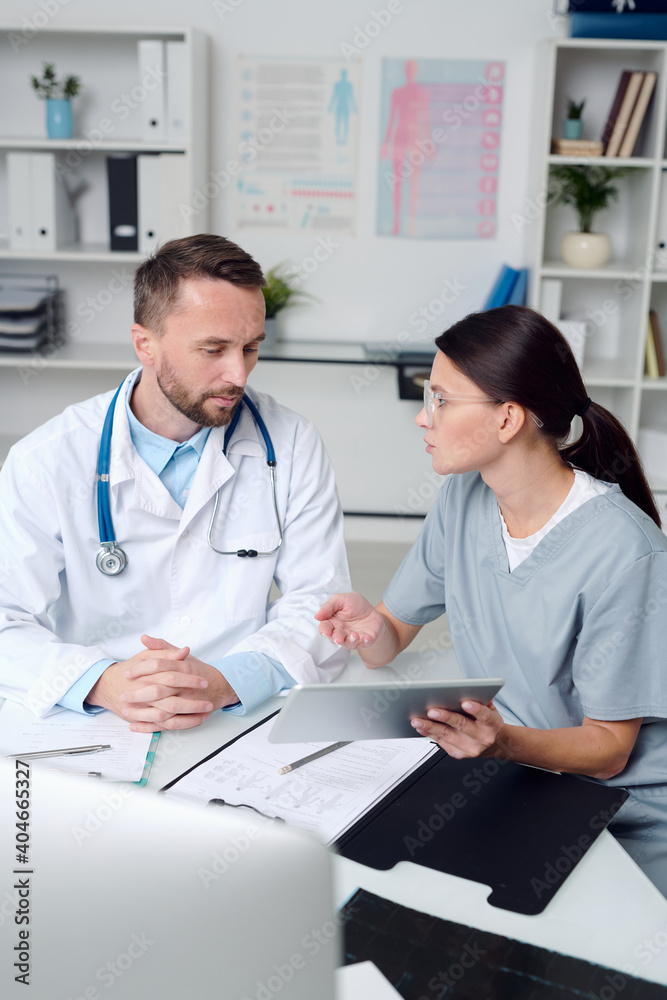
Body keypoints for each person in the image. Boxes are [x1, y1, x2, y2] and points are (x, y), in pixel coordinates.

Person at [316, 304, 667, 897]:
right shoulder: (464, 499)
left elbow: (609, 751)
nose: (425, 420)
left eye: (443, 400)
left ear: (507, 419)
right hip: (514, 775)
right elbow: (391, 637)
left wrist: (502, 742)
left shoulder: (627, 552)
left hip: (616, 811)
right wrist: (365, 625)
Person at [0, 234, 350, 731]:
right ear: (146, 344)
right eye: (213, 349)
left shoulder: (291, 445)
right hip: (95, 717)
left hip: (241, 711)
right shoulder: (47, 459)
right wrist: (103, 682)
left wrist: (227, 681)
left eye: (250, 348)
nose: (238, 374)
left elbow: (321, 604)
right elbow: (4, 620)